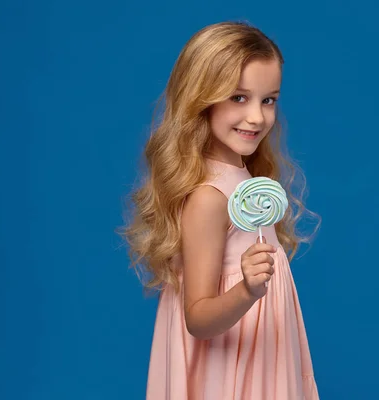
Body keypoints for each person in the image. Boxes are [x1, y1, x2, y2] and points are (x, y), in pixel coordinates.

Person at [122, 21, 321, 399]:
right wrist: (247, 289)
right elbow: (197, 318)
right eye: (239, 98)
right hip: (230, 375)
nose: (258, 117)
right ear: (202, 98)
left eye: (269, 100)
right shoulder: (210, 198)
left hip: (265, 358)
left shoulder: (247, 180)